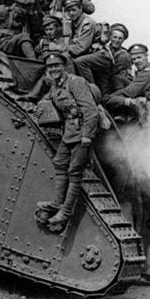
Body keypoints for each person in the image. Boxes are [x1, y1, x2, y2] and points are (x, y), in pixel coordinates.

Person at [32, 52, 99, 233]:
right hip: (69, 133)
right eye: (50, 67)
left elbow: (91, 110)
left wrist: (87, 135)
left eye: (57, 66)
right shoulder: (56, 86)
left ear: (64, 66)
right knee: (59, 163)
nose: (54, 69)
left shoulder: (75, 82)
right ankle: (56, 202)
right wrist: (39, 108)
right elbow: (46, 100)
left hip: (81, 133)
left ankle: (65, 211)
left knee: (74, 171)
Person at [103, 43, 150, 125]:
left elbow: (129, 92)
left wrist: (108, 98)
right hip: (148, 114)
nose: (136, 61)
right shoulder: (143, 71)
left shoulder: (147, 74)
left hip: (149, 118)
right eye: (134, 59)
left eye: (139, 57)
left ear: (146, 56)